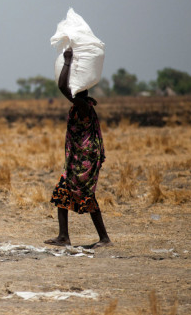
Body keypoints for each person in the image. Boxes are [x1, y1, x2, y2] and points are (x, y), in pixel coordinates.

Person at [45, 47, 111, 249]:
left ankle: (103, 238)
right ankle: (64, 236)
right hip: (79, 158)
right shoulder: (82, 105)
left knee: (82, 194)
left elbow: (62, 87)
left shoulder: (83, 106)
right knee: (64, 192)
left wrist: (67, 61)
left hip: (84, 159)